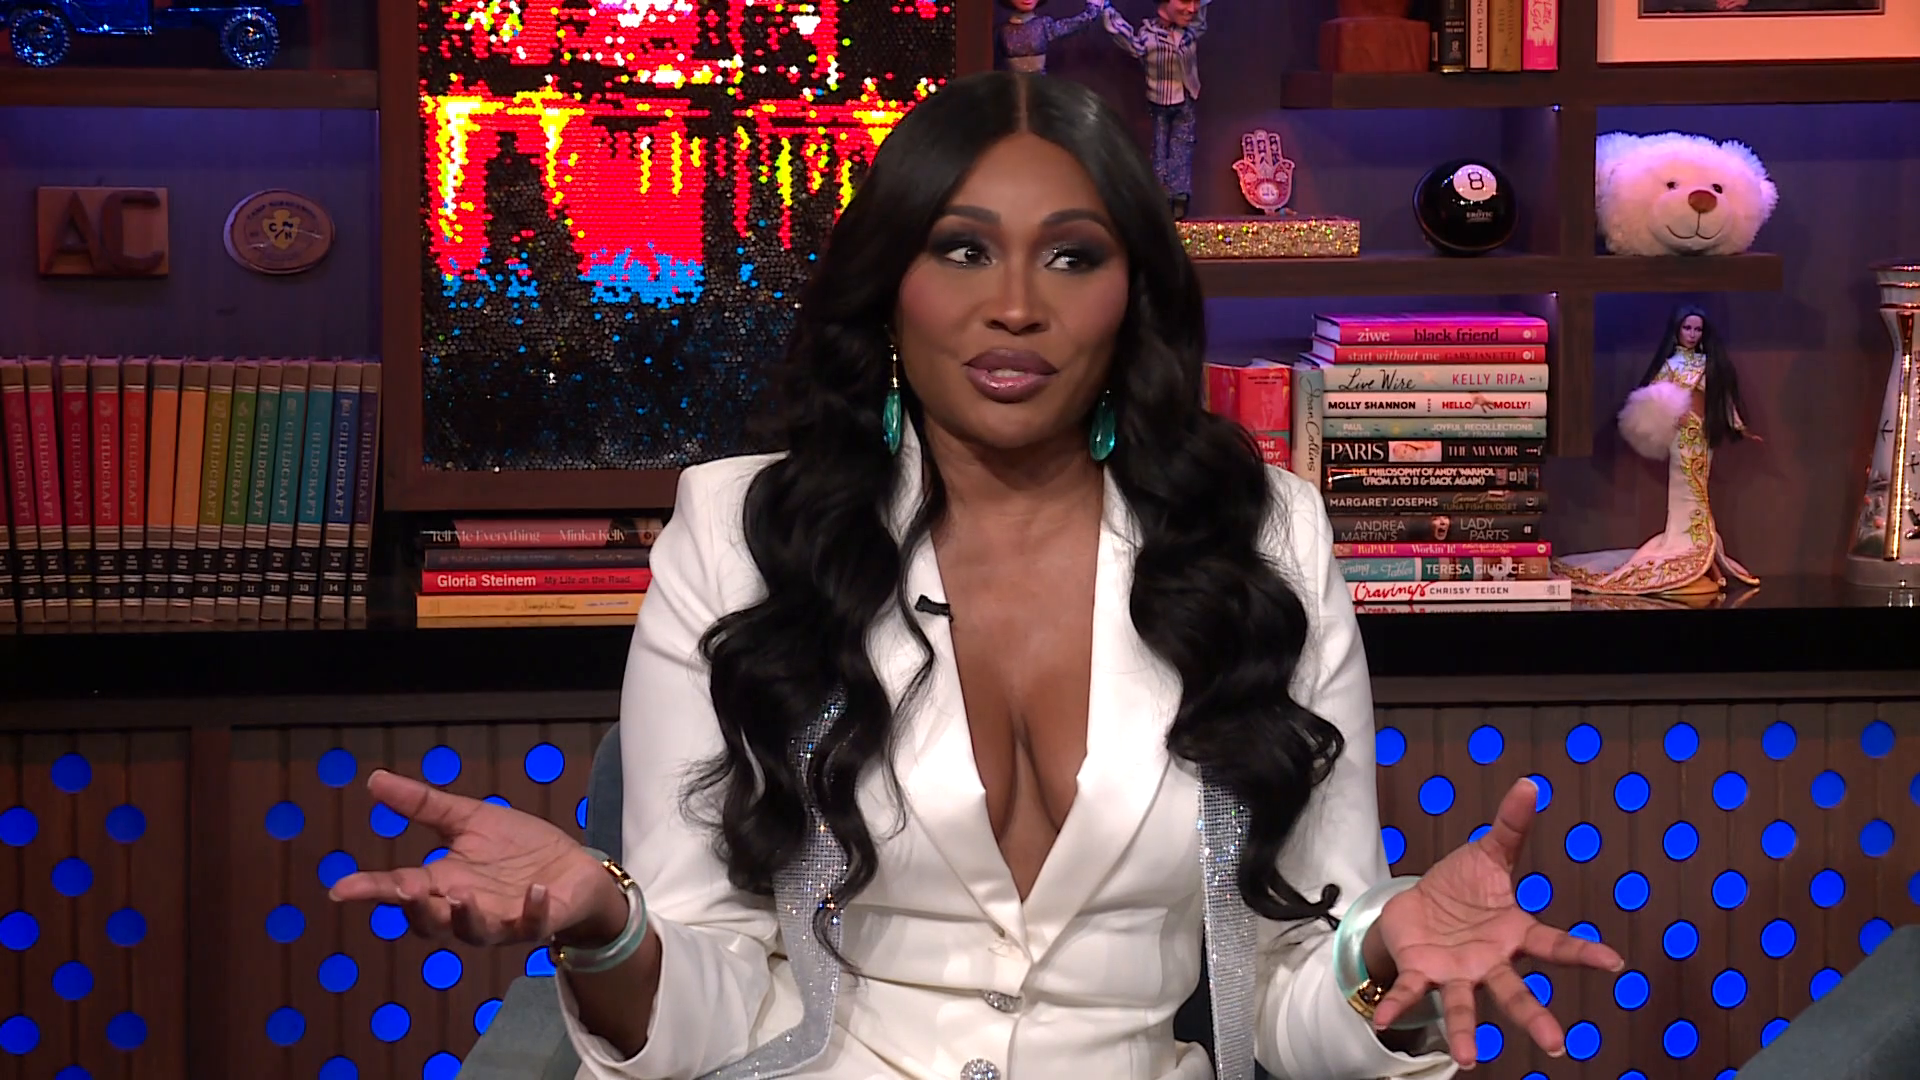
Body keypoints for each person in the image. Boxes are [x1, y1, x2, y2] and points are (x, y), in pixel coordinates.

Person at [330, 71, 1624, 1080]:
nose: (1016, 304)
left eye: (1072, 254)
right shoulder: (738, 532)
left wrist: (1383, 953)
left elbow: (1287, 987)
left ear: (1133, 293)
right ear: (889, 284)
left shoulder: (1264, 537)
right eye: (961, 249)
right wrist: (605, 925)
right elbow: (709, 991)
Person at [1555, 304, 1761, 596]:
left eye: (1697, 329)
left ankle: (1704, 557)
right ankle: (1693, 553)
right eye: (1687, 328)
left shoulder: (1708, 364)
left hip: (1702, 436)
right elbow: (1651, 397)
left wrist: (1741, 428)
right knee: (1688, 491)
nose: (1692, 334)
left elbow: (1723, 400)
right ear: (1677, 331)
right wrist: (1669, 413)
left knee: (1700, 490)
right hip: (1681, 437)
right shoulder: (1671, 365)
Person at [1098, 0, 1209, 219]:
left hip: (1186, 97)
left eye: (1196, 2)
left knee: (1183, 145)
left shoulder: (1190, 32)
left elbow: (1201, 19)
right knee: (1160, 147)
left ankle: (1179, 193)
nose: (1192, 9)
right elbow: (1125, 37)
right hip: (1160, 100)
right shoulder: (1148, 37)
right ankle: (1161, 194)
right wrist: (1105, 9)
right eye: (1185, 1)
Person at [996, 0, 1104, 75]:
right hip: (1012, 88)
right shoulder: (1001, 31)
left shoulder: (1043, 25)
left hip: (1041, 87)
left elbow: (1074, 24)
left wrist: (1092, 8)